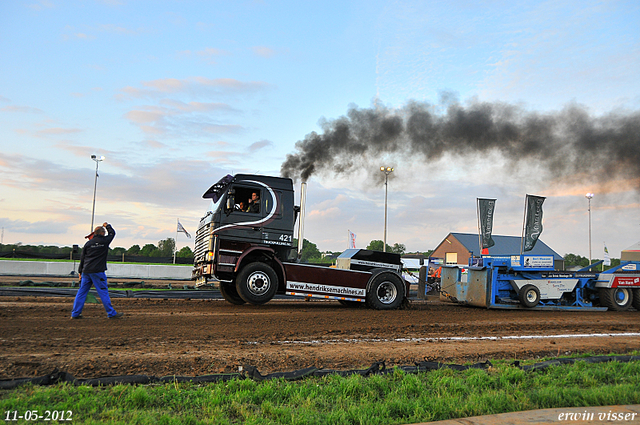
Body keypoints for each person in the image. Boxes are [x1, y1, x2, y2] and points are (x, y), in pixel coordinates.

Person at [71, 222, 123, 319]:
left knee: (82, 292)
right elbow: (112, 233)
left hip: (86, 271)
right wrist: (107, 225)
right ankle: (111, 313)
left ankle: (75, 314)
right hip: (98, 271)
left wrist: (80, 272)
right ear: (103, 233)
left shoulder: (88, 243)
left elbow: (82, 258)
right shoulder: (105, 241)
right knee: (103, 292)